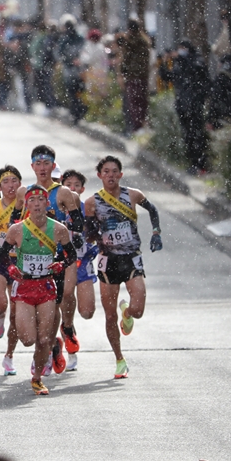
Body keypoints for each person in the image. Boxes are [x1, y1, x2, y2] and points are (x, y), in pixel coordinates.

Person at [85, 155, 163, 379]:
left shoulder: (133, 194)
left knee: (138, 310)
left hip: (131, 257)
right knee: (109, 316)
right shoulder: (92, 202)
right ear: (99, 175)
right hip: (107, 261)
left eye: (114, 171)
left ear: (121, 174)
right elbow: (89, 233)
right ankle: (119, 359)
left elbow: (153, 210)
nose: (110, 175)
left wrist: (156, 232)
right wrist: (97, 233)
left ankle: (127, 312)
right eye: (106, 172)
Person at [0, 185, 76, 395]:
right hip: (25, 287)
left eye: (41, 199)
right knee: (28, 339)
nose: (36, 203)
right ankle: (43, 350)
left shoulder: (59, 229)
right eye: (31, 200)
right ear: (26, 204)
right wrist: (11, 267)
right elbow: (0, 257)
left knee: (43, 339)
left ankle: (37, 378)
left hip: (46, 286)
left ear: (47, 203)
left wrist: (60, 263)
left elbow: (72, 255)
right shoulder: (16, 230)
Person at [16, 145, 85, 377]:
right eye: (38, 163)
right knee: (34, 310)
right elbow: (14, 222)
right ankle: (48, 345)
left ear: (54, 166)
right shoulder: (24, 192)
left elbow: (78, 224)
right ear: (32, 166)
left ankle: (55, 339)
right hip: (30, 257)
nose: (43, 168)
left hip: (55, 257)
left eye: (47, 163)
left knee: (56, 302)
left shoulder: (63, 192)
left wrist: (59, 226)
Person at [60, 169, 97, 371]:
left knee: (87, 311)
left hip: (83, 264)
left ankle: (67, 329)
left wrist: (91, 247)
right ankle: (68, 340)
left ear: (82, 189)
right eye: (68, 185)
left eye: (76, 185)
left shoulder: (88, 210)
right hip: (61, 266)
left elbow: (97, 237)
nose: (72, 189)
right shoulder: (55, 211)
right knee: (65, 310)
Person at [159, 40, 211, 174]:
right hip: (182, 104)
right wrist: (163, 62)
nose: (180, 51)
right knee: (187, 136)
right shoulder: (179, 64)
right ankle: (194, 163)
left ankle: (201, 164)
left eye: (183, 48)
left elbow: (196, 69)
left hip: (194, 105)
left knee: (196, 135)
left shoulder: (196, 59)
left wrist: (181, 57)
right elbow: (168, 77)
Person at [0, 165, 22, 376]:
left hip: (21, 262)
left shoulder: (27, 207)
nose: (10, 186)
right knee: (0, 303)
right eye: (6, 182)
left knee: (17, 314)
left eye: (14, 181)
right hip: (0, 260)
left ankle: (9, 355)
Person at [118, 19, 151, 133]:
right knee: (142, 102)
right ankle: (142, 125)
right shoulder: (145, 41)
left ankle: (136, 127)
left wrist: (123, 72)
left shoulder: (129, 42)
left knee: (133, 103)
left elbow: (125, 60)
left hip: (132, 76)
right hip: (143, 76)